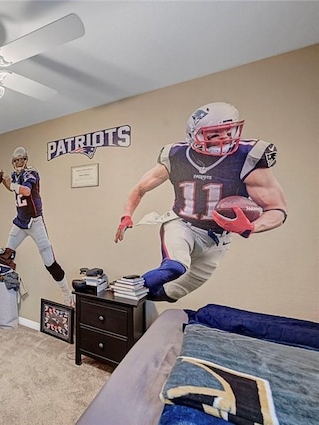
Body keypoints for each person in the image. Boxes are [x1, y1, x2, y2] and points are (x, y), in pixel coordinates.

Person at [114, 102, 288, 302]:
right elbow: (140, 188)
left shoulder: (248, 156)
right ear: (193, 135)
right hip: (182, 224)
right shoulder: (176, 155)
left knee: (174, 293)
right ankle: (121, 292)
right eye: (214, 134)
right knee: (175, 267)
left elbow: (277, 209)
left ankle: (132, 298)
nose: (224, 139)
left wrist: (252, 226)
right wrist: (127, 215)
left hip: (218, 239)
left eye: (229, 131)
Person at [0, 147, 74, 306]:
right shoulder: (15, 175)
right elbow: (14, 190)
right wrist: (5, 181)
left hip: (35, 222)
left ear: (26, 160)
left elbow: (25, 191)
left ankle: (67, 293)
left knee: (49, 261)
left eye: (21, 159)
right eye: (16, 160)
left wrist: (11, 185)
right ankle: (5, 287)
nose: (19, 162)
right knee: (6, 255)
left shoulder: (31, 173)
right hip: (20, 221)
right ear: (13, 162)